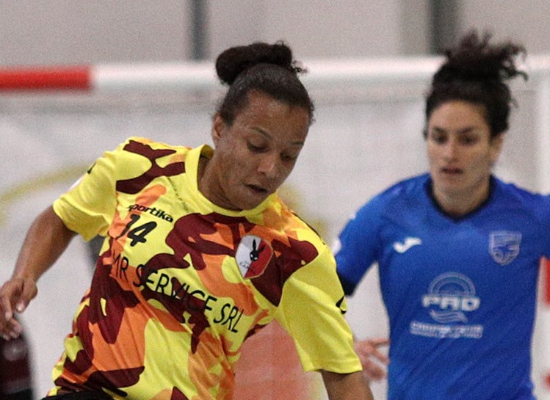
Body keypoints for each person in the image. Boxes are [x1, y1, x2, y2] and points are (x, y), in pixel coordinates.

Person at [0, 41, 374, 400]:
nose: (270, 168)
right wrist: (24, 274)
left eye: (289, 156)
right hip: (87, 391)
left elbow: (342, 372)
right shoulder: (139, 168)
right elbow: (62, 218)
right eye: (256, 146)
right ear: (219, 128)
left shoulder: (294, 251)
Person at [334, 30, 543, 399]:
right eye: (439, 137)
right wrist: (340, 345)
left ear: (495, 145)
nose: (450, 153)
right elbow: (314, 294)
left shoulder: (533, 216)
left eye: (467, 139)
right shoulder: (386, 213)